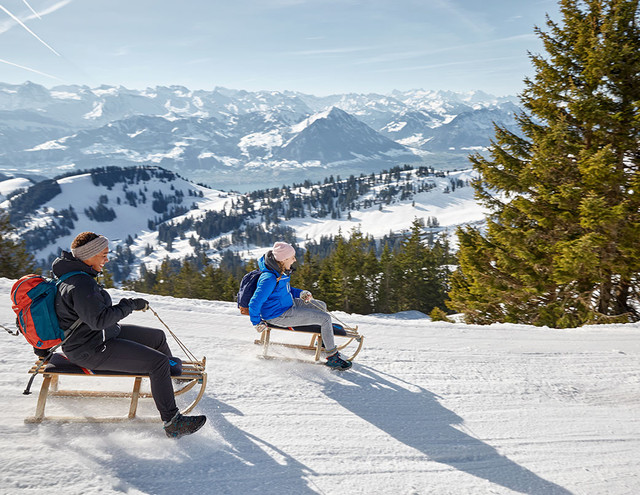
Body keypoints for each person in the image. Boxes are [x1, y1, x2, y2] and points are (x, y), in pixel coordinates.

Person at [52, 231, 206, 438]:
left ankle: (170, 383)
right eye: (103, 255)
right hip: (90, 350)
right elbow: (98, 321)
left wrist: (126, 306)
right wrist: (129, 305)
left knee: (157, 337)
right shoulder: (81, 283)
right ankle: (172, 422)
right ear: (88, 255)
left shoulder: (77, 277)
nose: (106, 259)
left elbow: (95, 317)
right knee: (158, 362)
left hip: (99, 336)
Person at [249, 241, 352, 370]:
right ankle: (332, 357)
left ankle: (325, 342)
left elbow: (285, 290)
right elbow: (254, 302)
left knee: (321, 305)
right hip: (278, 315)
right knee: (325, 318)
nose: (294, 260)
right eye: (292, 257)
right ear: (284, 259)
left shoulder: (280, 271)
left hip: (287, 304)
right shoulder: (269, 278)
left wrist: (301, 293)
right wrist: (256, 322)